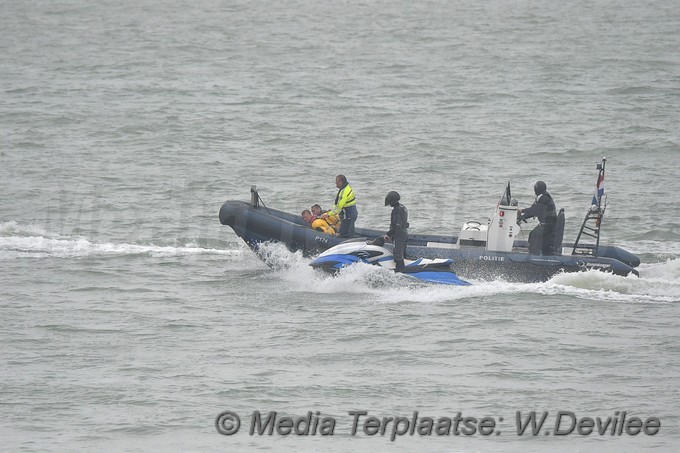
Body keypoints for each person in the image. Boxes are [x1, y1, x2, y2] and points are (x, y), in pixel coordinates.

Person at [518, 180, 557, 255]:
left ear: (537, 189)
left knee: (533, 235)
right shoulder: (542, 197)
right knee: (534, 234)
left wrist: (521, 211)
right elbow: (533, 210)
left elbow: (534, 211)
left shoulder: (544, 198)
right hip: (549, 224)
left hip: (548, 225)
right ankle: (535, 252)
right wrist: (522, 217)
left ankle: (533, 255)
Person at [383, 191, 409, 272]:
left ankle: (400, 271)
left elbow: (396, 226)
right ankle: (406, 266)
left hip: (399, 234)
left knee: (397, 255)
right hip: (404, 233)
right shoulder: (403, 207)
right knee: (402, 252)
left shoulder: (397, 210)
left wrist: (388, 234)